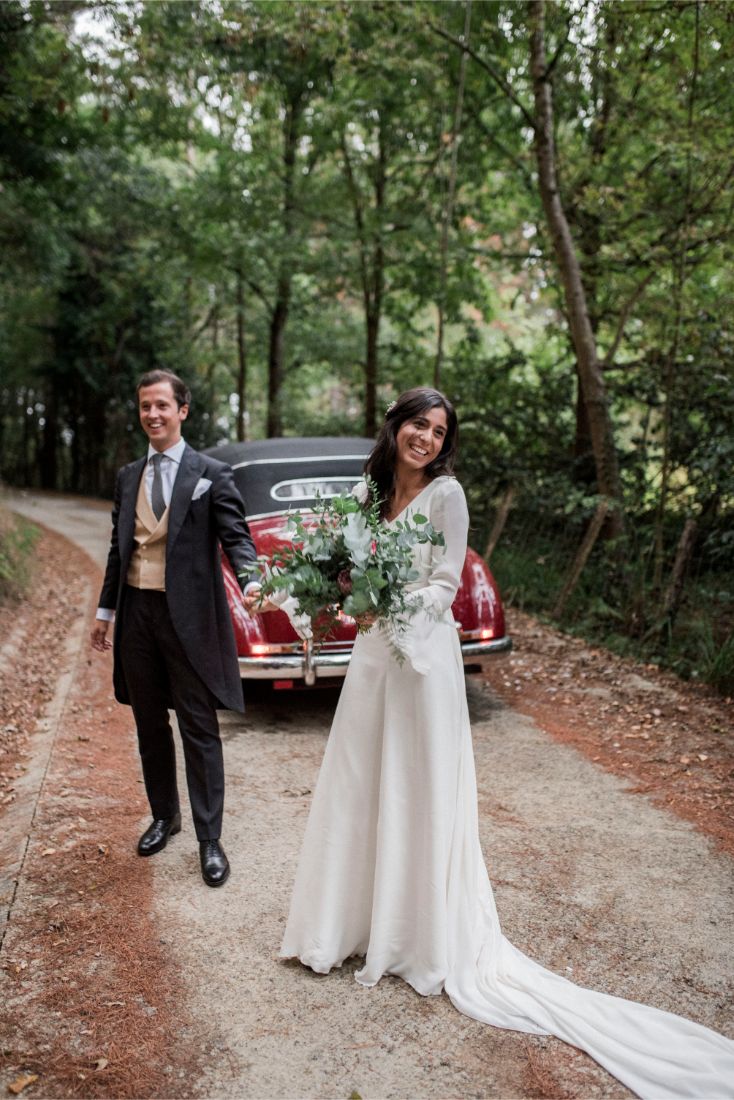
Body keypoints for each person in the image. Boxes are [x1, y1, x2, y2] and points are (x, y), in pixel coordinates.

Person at [276, 387, 734, 1098]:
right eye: (416, 425)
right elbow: (346, 575)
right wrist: (342, 595)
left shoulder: (446, 497)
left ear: (444, 442)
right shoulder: (367, 496)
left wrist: (387, 598)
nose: (425, 438)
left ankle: (416, 934)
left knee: (413, 786)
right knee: (363, 782)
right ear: (395, 427)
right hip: (373, 662)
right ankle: (348, 926)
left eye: (437, 430)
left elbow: (446, 585)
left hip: (421, 661)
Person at [91, 369, 260, 887]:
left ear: (182, 411)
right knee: (148, 723)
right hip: (138, 614)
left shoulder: (211, 472)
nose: (153, 414)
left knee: (198, 726)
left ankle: (211, 839)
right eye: (145, 406)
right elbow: (122, 550)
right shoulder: (127, 477)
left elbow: (237, 536)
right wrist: (105, 614)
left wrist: (251, 579)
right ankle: (165, 816)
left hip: (190, 619)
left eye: (163, 405)